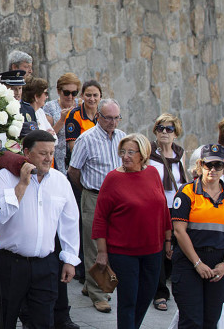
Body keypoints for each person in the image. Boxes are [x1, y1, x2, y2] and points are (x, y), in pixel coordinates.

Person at [0, 129, 79, 328]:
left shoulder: (60, 181)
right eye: (43, 153)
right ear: (27, 153)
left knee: (43, 322)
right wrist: (22, 185)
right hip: (10, 263)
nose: (48, 158)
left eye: (52, 153)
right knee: (3, 319)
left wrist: (70, 259)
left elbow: (70, 221)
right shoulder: (5, 177)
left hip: (45, 266)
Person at [92, 133, 170, 328]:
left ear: (142, 155)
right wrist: (102, 252)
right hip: (123, 253)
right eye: (123, 151)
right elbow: (100, 217)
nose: (125, 156)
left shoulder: (152, 173)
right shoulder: (113, 179)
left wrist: (168, 240)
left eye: (131, 152)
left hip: (153, 250)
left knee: (146, 296)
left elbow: (163, 210)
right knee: (128, 300)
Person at [172, 144, 224, 328]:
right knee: (191, 321)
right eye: (208, 165)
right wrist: (197, 263)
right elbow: (179, 231)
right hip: (190, 261)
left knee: (211, 321)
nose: (212, 169)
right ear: (200, 165)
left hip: (218, 262)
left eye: (218, 165)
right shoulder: (187, 192)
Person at [67, 98, 124, 313]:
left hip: (117, 200)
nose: (112, 122)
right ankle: (99, 293)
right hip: (93, 195)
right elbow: (73, 170)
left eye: (116, 118)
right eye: (108, 118)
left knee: (112, 243)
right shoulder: (86, 139)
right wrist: (86, 190)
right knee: (93, 245)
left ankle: (93, 284)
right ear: (99, 116)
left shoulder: (121, 138)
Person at [150, 114, 188, 311]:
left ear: (176, 133)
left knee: (173, 249)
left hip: (177, 207)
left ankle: (170, 286)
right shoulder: (148, 154)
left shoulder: (180, 155)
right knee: (158, 250)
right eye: (161, 128)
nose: (164, 132)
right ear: (156, 131)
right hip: (156, 208)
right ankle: (159, 292)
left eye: (169, 129)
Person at [41, 72, 81, 172]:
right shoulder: (50, 107)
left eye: (74, 93)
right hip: (58, 158)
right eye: (66, 93)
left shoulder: (80, 106)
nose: (70, 96)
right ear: (59, 91)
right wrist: (62, 120)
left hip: (77, 157)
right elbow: (47, 136)